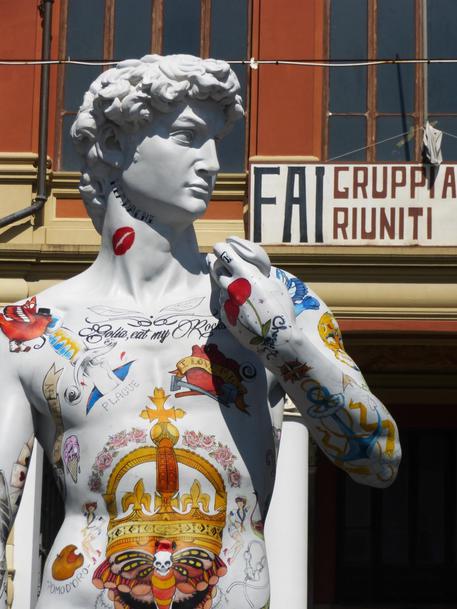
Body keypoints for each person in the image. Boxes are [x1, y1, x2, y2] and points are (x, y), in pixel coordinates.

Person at [0, 54, 401, 609]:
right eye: (188, 137)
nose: (212, 162)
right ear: (113, 144)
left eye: (216, 142)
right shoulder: (29, 330)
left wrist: (283, 344)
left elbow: (378, 459)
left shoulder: (271, 299)